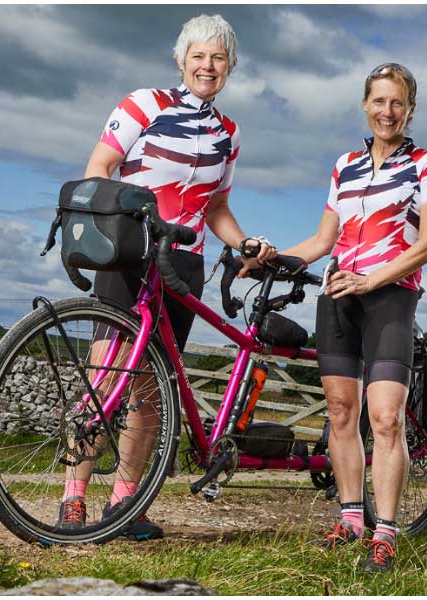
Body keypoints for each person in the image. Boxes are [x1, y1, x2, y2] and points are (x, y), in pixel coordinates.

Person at [58, 14, 276, 540]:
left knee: (153, 389)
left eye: (218, 58)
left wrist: (241, 241)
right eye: (198, 55)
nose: (208, 65)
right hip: (129, 256)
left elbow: (217, 206)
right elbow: (99, 167)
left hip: (184, 264)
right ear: (181, 60)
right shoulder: (143, 105)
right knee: (105, 374)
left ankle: (124, 504)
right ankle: (74, 500)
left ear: (230, 68)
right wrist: (120, 222)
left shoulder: (228, 133)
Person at [272, 62, 427, 573]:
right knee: (341, 412)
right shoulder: (344, 164)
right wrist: (270, 257)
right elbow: (323, 241)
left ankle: (386, 531)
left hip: (390, 296)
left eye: (397, 103)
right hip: (338, 294)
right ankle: (351, 520)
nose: (386, 111)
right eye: (378, 101)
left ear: (410, 108)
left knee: (386, 417)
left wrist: (373, 280)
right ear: (364, 105)